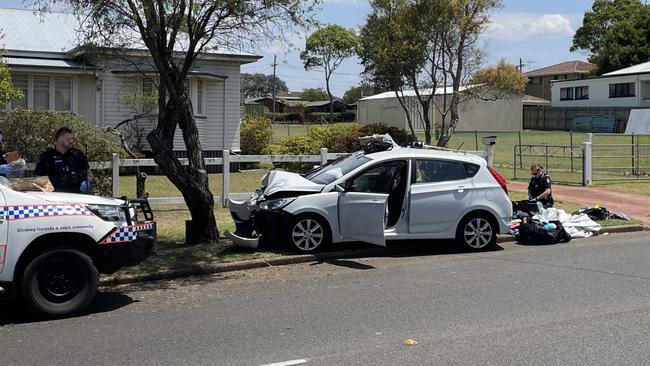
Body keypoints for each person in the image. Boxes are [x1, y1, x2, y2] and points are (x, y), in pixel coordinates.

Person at [34, 127, 91, 193]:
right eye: (68, 139)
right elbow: (38, 177)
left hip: (77, 196)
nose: (71, 141)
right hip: (55, 197)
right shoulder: (47, 156)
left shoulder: (78, 155)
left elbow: (89, 174)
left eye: (72, 139)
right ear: (59, 139)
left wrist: (87, 181)